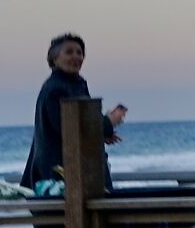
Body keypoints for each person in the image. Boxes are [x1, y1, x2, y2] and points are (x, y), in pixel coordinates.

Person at [20, 34, 123, 190]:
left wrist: (100, 134)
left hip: (82, 171)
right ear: (54, 59)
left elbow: (84, 121)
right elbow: (69, 128)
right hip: (61, 175)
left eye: (79, 52)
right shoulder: (56, 89)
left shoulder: (76, 84)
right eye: (69, 52)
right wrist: (108, 122)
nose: (76, 56)